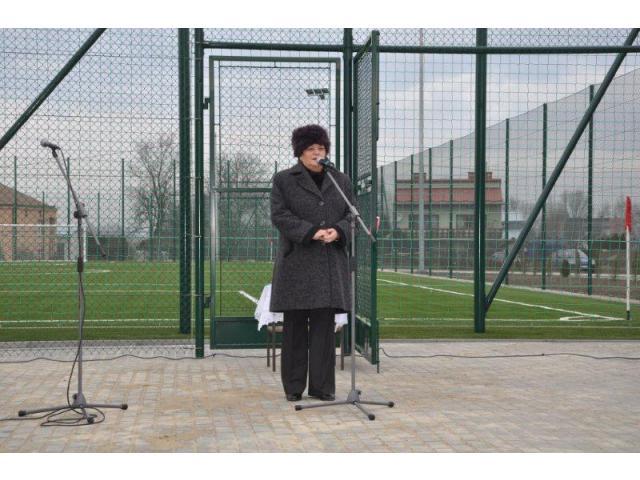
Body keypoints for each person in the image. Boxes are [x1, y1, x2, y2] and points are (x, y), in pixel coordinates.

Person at [270, 124, 354, 402]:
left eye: (321, 148)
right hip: (297, 264)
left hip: (329, 265)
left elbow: (352, 215)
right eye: (311, 149)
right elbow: (280, 215)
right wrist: (311, 232)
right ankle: (294, 387)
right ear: (300, 152)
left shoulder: (341, 180)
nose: (317, 153)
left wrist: (338, 231)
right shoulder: (284, 180)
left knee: (323, 330)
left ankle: (322, 387)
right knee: (295, 329)